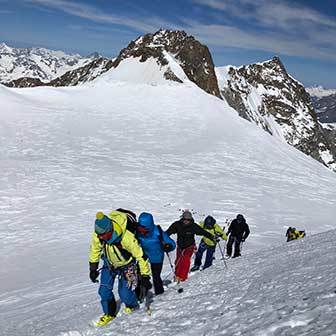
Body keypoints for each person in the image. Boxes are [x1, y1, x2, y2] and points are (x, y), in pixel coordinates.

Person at [89, 210, 152, 327]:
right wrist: (93, 268)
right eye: (98, 235)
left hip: (127, 265)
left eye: (102, 235)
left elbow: (141, 256)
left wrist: (145, 275)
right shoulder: (99, 234)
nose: (99, 237)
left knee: (125, 294)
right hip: (109, 264)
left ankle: (132, 305)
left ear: (109, 230)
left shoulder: (126, 237)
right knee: (104, 291)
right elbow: (94, 249)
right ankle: (109, 313)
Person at [166, 210, 216, 282]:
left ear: (190, 219)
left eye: (188, 220)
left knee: (185, 260)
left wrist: (212, 237)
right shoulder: (177, 225)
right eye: (184, 219)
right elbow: (168, 232)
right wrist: (163, 240)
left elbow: (203, 232)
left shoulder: (193, 226)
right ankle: (177, 275)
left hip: (190, 246)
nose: (186, 221)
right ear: (182, 218)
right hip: (180, 246)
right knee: (178, 261)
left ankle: (182, 277)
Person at [137, 212, 176, 295]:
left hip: (157, 257)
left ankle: (159, 294)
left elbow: (172, 244)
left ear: (149, 226)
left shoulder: (158, 232)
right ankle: (141, 293)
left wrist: (168, 246)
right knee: (140, 276)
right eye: (140, 227)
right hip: (144, 256)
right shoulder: (137, 232)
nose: (141, 230)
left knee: (156, 277)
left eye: (144, 228)